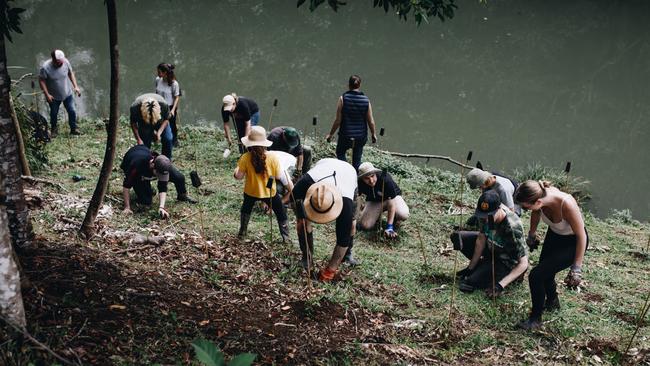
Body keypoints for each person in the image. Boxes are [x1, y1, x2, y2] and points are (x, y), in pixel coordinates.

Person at [514, 180, 588, 330]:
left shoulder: (567, 204)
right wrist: (531, 235)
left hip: (573, 243)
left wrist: (576, 268)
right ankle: (553, 301)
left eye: (525, 207)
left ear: (538, 201)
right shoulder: (539, 196)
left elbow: (582, 236)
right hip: (554, 235)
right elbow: (536, 212)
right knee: (545, 272)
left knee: (536, 275)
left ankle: (535, 319)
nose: (524, 210)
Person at [450, 191, 529, 297]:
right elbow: (481, 239)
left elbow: (523, 263)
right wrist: (470, 268)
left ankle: (503, 276)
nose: (485, 219)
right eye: (483, 216)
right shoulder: (484, 217)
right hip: (491, 249)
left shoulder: (512, 227)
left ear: (499, 209)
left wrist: (500, 285)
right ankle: (480, 267)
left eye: (489, 216)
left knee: (471, 282)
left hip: (505, 262)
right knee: (460, 237)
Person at [292, 158, 358, 279]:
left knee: (350, 225)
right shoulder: (303, 184)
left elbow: (343, 240)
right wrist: (302, 219)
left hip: (348, 173)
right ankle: (307, 257)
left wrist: (330, 271)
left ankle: (347, 255)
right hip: (324, 165)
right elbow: (293, 200)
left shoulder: (346, 203)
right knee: (302, 221)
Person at [234, 126, 293, 243]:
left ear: (249, 144)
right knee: (281, 213)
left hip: (250, 192)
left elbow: (238, 177)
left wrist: (236, 170)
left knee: (246, 209)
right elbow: (279, 176)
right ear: (265, 143)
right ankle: (286, 238)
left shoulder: (245, 157)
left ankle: (242, 232)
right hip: (269, 192)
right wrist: (290, 187)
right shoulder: (272, 157)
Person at [120, 145, 196, 218]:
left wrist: (161, 207)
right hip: (132, 157)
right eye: (158, 174)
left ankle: (182, 195)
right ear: (152, 165)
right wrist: (127, 207)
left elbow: (162, 187)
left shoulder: (162, 164)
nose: (160, 177)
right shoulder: (136, 166)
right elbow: (126, 186)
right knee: (146, 200)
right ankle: (147, 189)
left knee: (179, 177)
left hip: (145, 153)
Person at [326, 75, 377, 170]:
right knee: (357, 161)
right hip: (360, 137)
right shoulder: (366, 100)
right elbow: (371, 121)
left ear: (348, 85)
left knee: (340, 153)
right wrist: (373, 134)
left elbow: (338, 120)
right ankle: (355, 175)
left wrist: (330, 134)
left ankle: (346, 169)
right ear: (360, 85)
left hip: (345, 135)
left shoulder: (343, 99)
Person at [356, 162, 409, 238]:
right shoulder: (359, 182)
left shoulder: (385, 179)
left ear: (375, 173)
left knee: (403, 214)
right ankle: (377, 216)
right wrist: (355, 218)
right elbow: (358, 199)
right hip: (374, 201)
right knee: (365, 225)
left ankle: (394, 220)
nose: (371, 180)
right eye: (367, 178)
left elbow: (391, 203)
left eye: (372, 176)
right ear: (362, 178)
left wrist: (389, 227)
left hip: (392, 199)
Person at [38, 49, 81, 137]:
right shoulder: (45, 67)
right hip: (53, 96)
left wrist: (75, 86)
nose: (60, 63)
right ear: (53, 59)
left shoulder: (65, 62)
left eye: (61, 61)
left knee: (72, 110)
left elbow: (70, 73)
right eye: (58, 62)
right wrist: (47, 94)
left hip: (67, 93)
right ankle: (54, 129)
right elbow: (41, 80)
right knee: (54, 113)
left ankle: (74, 129)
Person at [129, 93, 174, 159]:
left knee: (168, 138)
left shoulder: (163, 104)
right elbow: (133, 123)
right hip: (144, 123)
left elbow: (166, 119)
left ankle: (166, 160)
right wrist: (139, 139)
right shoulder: (135, 107)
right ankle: (146, 160)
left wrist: (159, 133)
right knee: (145, 143)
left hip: (160, 122)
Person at [155, 63, 181, 147]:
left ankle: (174, 140)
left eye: (159, 72)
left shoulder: (174, 84)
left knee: (172, 123)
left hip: (169, 106)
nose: (157, 73)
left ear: (165, 72)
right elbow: (156, 92)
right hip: (159, 105)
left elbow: (176, 97)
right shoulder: (158, 80)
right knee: (159, 121)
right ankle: (160, 137)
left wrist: (173, 110)